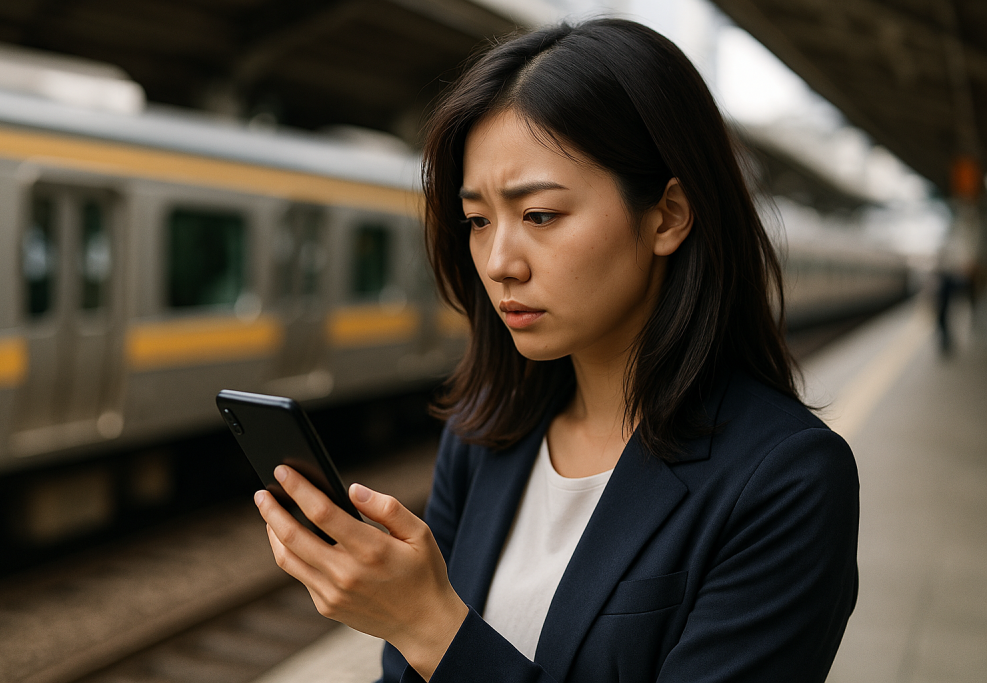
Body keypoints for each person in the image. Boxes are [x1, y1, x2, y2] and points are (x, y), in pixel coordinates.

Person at [254, 19, 859, 683]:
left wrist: (427, 625)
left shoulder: (786, 480)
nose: (498, 261)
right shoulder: (485, 433)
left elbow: (433, 646)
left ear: (668, 215)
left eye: (539, 214)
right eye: (478, 221)